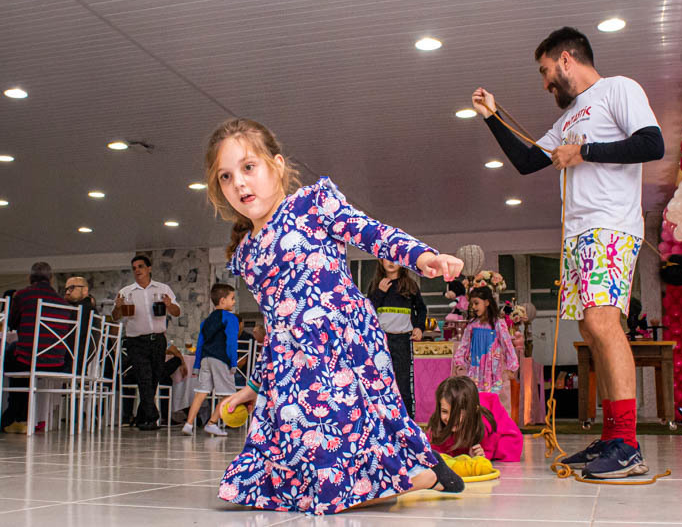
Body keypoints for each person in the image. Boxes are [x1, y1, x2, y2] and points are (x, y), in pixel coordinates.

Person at [205, 118, 466, 514]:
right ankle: (383, 479)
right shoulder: (247, 253)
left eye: (248, 167)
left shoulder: (311, 204)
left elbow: (371, 232)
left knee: (350, 437)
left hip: (343, 344)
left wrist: (423, 256)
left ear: (276, 164)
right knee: (293, 454)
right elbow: (275, 323)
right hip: (292, 358)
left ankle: (417, 473)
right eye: (226, 176)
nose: (239, 183)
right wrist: (254, 389)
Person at [472, 27, 664, 478]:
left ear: (564, 59)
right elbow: (527, 161)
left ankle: (629, 445)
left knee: (602, 321)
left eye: (544, 72)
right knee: (590, 328)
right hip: (578, 235)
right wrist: (491, 115)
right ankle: (614, 437)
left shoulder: (619, 89)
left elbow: (651, 143)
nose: (544, 83)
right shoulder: (569, 117)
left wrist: (585, 152)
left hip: (610, 225)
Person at [112, 255, 181, 430]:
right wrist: (118, 307)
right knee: (144, 377)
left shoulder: (163, 288)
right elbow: (115, 317)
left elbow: (177, 311)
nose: (137, 270)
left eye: (141, 266)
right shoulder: (126, 291)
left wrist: (168, 304)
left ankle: (142, 418)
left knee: (154, 378)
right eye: (134, 267)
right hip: (135, 340)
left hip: (158, 339)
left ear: (149, 268)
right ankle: (152, 417)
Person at [1, 262, 72, 433]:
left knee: (12, 353)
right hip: (56, 361)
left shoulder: (23, 296)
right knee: (19, 353)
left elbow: (11, 324)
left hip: (29, 359)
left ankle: (15, 416)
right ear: (51, 278)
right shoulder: (63, 303)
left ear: (29, 277)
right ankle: (20, 417)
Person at [367, 259, 427, 419]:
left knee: (403, 384)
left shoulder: (410, 285)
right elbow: (368, 311)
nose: (391, 262)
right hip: (381, 342)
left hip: (402, 341)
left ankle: (407, 423)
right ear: (380, 260)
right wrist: (379, 292)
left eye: (395, 259)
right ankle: (383, 422)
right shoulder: (375, 284)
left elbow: (421, 309)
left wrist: (419, 327)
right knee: (380, 382)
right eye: (386, 258)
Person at [182, 283, 240, 437]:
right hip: (221, 360)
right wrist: (233, 363)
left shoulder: (206, 321)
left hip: (205, 360)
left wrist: (196, 366)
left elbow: (200, 344)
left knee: (201, 392)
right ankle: (212, 423)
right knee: (228, 396)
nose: (234, 302)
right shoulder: (231, 318)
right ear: (222, 301)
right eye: (232, 298)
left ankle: (188, 424)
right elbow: (231, 343)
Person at [452, 286, 519, 413]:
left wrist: (512, 367)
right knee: (476, 404)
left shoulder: (498, 324)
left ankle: (498, 430)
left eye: (477, 303)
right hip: (475, 373)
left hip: (494, 374)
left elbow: (508, 346)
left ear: (487, 302)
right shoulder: (472, 325)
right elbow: (463, 346)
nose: (474, 307)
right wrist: (460, 363)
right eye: (472, 304)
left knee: (496, 405)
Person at [427, 376, 522, 462]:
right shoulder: (437, 428)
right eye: (444, 411)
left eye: (456, 413)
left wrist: (481, 455)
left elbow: (513, 444)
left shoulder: (485, 424)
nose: (449, 419)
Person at [63, 276, 96, 373]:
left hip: (72, 364)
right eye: (66, 289)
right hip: (83, 364)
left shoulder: (80, 311)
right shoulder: (91, 309)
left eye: (72, 288)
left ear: (85, 290)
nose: (67, 292)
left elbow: (69, 339)